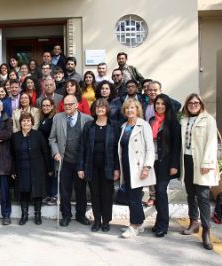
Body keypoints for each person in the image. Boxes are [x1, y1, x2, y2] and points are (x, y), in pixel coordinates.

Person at [180, 93, 218, 250]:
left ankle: (206, 231)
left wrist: (207, 163)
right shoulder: (183, 120)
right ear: (187, 105)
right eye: (190, 103)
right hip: (187, 161)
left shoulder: (208, 120)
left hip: (201, 162)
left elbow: (211, 142)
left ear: (201, 104)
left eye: (196, 103)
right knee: (190, 193)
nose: (193, 105)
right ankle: (193, 222)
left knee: (202, 195)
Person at [49, 95, 93, 227]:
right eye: (65, 104)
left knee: (81, 191)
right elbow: (52, 139)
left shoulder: (87, 119)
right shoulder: (57, 118)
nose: (67, 106)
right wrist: (55, 152)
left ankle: (80, 215)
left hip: (80, 162)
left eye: (70, 104)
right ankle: (66, 215)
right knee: (65, 190)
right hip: (64, 161)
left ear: (77, 105)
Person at [78, 99, 119, 232]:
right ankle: (97, 221)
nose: (100, 109)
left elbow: (117, 150)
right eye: (97, 107)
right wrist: (80, 167)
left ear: (107, 109)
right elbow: (82, 147)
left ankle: (106, 221)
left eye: (102, 107)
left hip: (109, 166)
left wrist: (117, 168)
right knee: (95, 195)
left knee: (107, 195)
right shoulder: (89, 126)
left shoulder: (114, 126)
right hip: (91, 166)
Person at [118, 99, 156, 238]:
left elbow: (150, 148)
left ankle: (134, 225)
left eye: (132, 108)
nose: (129, 110)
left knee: (134, 197)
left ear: (137, 109)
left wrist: (147, 167)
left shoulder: (144, 125)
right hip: (126, 166)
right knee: (131, 196)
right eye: (127, 108)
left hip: (138, 167)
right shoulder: (124, 126)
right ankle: (139, 224)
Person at [149, 94, 181, 237]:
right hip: (153, 162)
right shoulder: (151, 120)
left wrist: (174, 164)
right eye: (157, 103)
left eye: (163, 104)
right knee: (157, 193)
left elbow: (176, 146)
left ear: (167, 106)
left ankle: (163, 225)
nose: (159, 106)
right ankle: (158, 222)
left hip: (165, 163)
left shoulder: (172, 122)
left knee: (161, 192)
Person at [11, 112, 51, 225]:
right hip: (21, 169)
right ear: (20, 123)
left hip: (37, 168)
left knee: (37, 192)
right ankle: (24, 215)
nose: (26, 122)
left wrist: (48, 169)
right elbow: (12, 155)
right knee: (24, 192)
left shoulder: (38, 135)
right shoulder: (15, 136)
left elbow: (45, 152)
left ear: (32, 123)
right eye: (24, 120)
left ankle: (37, 215)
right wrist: (13, 170)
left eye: (28, 120)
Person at [38, 98, 57, 206]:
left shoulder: (54, 118)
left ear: (52, 106)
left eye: (47, 105)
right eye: (43, 105)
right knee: (46, 173)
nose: (45, 107)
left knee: (52, 172)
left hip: (51, 149)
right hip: (43, 150)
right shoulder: (43, 118)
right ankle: (47, 194)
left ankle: (53, 195)